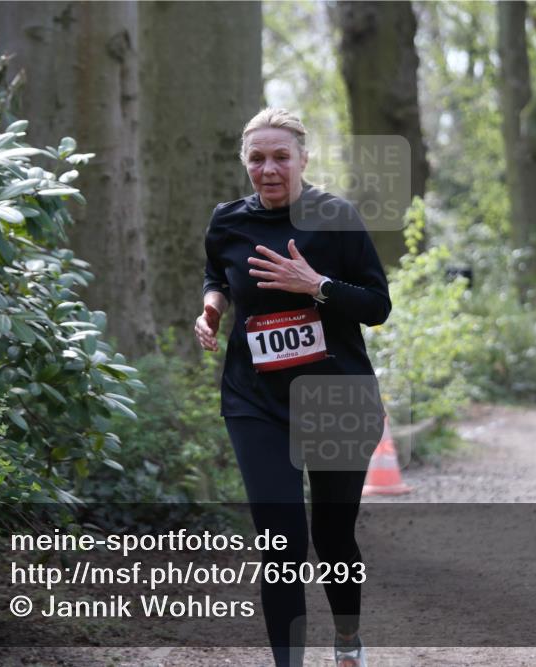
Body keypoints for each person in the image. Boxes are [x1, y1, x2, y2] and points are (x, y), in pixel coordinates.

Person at [195, 108, 390, 667]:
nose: (269, 168)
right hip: (256, 400)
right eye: (257, 158)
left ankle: (348, 639)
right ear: (245, 165)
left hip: (337, 397)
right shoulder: (228, 222)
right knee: (280, 541)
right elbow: (217, 274)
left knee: (332, 538)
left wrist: (318, 286)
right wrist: (211, 308)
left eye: (281, 156)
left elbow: (377, 305)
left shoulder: (337, 219)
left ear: (304, 160)